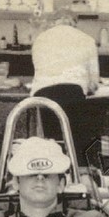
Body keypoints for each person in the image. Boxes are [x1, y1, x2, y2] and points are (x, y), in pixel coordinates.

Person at [30, 10, 100, 165]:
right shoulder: (86, 39)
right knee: (75, 145)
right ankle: (77, 175)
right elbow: (94, 83)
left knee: (52, 145)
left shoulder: (40, 39)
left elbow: (39, 72)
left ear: (53, 22)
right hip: (73, 95)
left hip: (43, 98)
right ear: (74, 23)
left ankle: (55, 177)